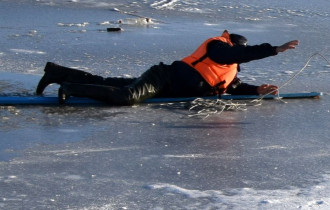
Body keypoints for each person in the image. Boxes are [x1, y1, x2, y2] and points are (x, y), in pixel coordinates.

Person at [36, 30, 299, 105]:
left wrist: (257, 90)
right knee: (126, 96)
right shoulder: (218, 48)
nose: (237, 60)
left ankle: (58, 72)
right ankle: (70, 87)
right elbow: (241, 52)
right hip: (162, 77)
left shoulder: (230, 65)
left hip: (167, 87)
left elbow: (232, 87)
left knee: (108, 81)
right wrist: (274, 49)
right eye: (237, 53)